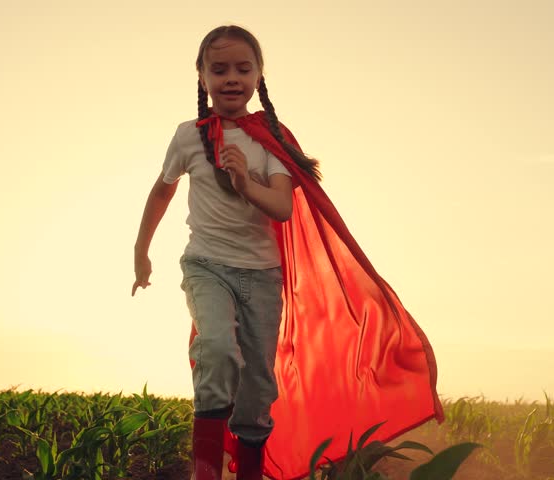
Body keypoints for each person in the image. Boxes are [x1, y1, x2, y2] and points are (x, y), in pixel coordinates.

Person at [133, 25, 444, 480]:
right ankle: (206, 472)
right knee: (216, 348)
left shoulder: (272, 139)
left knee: (258, 386)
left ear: (259, 76)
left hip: (261, 275)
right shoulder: (188, 136)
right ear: (202, 77)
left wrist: (244, 182)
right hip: (206, 265)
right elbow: (162, 191)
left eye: (243, 68)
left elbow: (282, 206)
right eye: (219, 69)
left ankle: (249, 471)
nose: (232, 78)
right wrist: (141, 249)